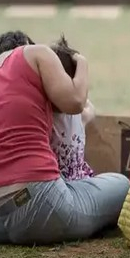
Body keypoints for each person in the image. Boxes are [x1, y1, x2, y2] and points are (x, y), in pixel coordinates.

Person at [0, 31, 130, 245]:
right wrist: (81, 62)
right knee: (122, 185)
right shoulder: (37, 53)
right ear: (27, 44)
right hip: (40, 207)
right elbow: (75, 102)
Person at [49, 35, 95, 181]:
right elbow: (89, 108)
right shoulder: (80, 116)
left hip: (54, 187)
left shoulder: (42, 116)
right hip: (81, 184)